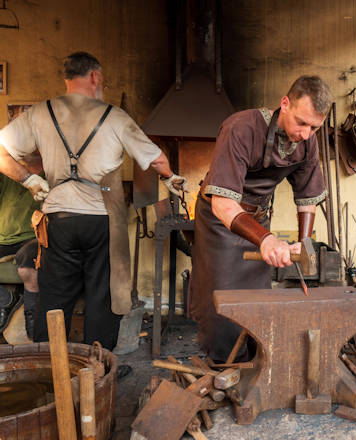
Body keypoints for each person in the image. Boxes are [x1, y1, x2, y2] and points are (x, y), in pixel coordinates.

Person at [0, 52, 187, 349]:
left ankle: (53, 370)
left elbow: (2, 152)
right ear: (95, 77)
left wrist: (29, 179)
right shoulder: (114, 116)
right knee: (102, 295)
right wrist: (170, 179)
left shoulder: (40, 113)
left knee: (55, 296)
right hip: (102, 222)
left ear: (66, 78)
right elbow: (157, 159)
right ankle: (96, 368)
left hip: (58, 221)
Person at [191, 75, 331, 362]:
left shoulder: (308, 142)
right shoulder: (241, 128)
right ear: (284, 104)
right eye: (302, 122)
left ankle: (256, 362)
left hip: (257, 220)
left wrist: (303, 243)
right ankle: (223, 364)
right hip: (221, 222)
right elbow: (222, 202)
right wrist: (266, 240)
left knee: (257, 296)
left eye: (314, 127)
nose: (306, 133)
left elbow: (308, 199)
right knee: (222, 300)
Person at [0, 152, 41, 335]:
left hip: (33, 238)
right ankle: (5, 300)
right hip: (3, 237)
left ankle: (33, 325)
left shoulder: (51, 171)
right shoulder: (6, 169)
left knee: (28, 262)